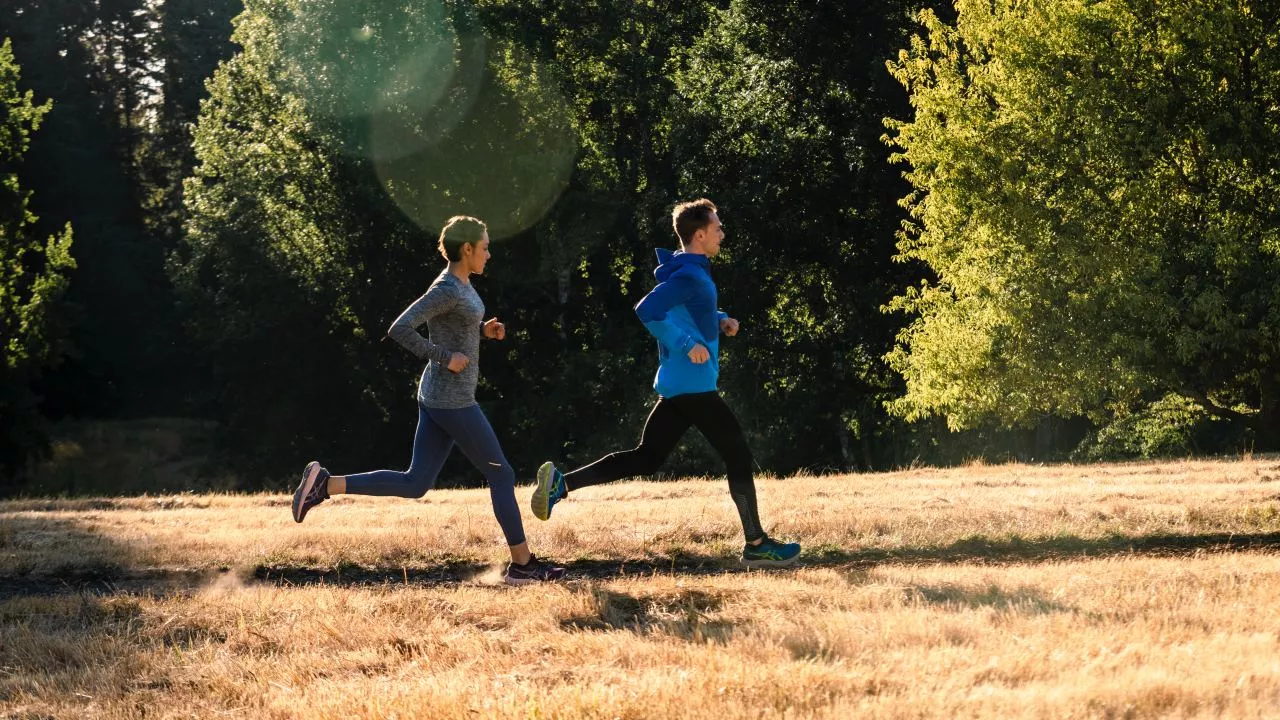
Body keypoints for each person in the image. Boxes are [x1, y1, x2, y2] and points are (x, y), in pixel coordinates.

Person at [292, 215, 565, 586]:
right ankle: (523, 565)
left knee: (416, 482)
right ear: (467, 249)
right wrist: (444, 357)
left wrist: (481, 331)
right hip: (452, 401)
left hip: (438, 396)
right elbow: (399, 328)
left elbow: (451, 327)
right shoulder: (446, 288)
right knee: (501, 474)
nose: (489, 254)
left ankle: (325, 484)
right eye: (485, 247)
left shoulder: (461, 284)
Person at [531, 199, 801, 568]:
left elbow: (687, 309)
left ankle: (561, 484)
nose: (722, 234)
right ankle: (756, 543)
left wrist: (720, 320)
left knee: (646, 457)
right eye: (717, 228)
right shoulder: (688, 274)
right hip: (694, 386)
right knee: (738, 455)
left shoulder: (691, 271)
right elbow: (647, 310)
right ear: (699, 235)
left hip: (681, 384)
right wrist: (687, 344)